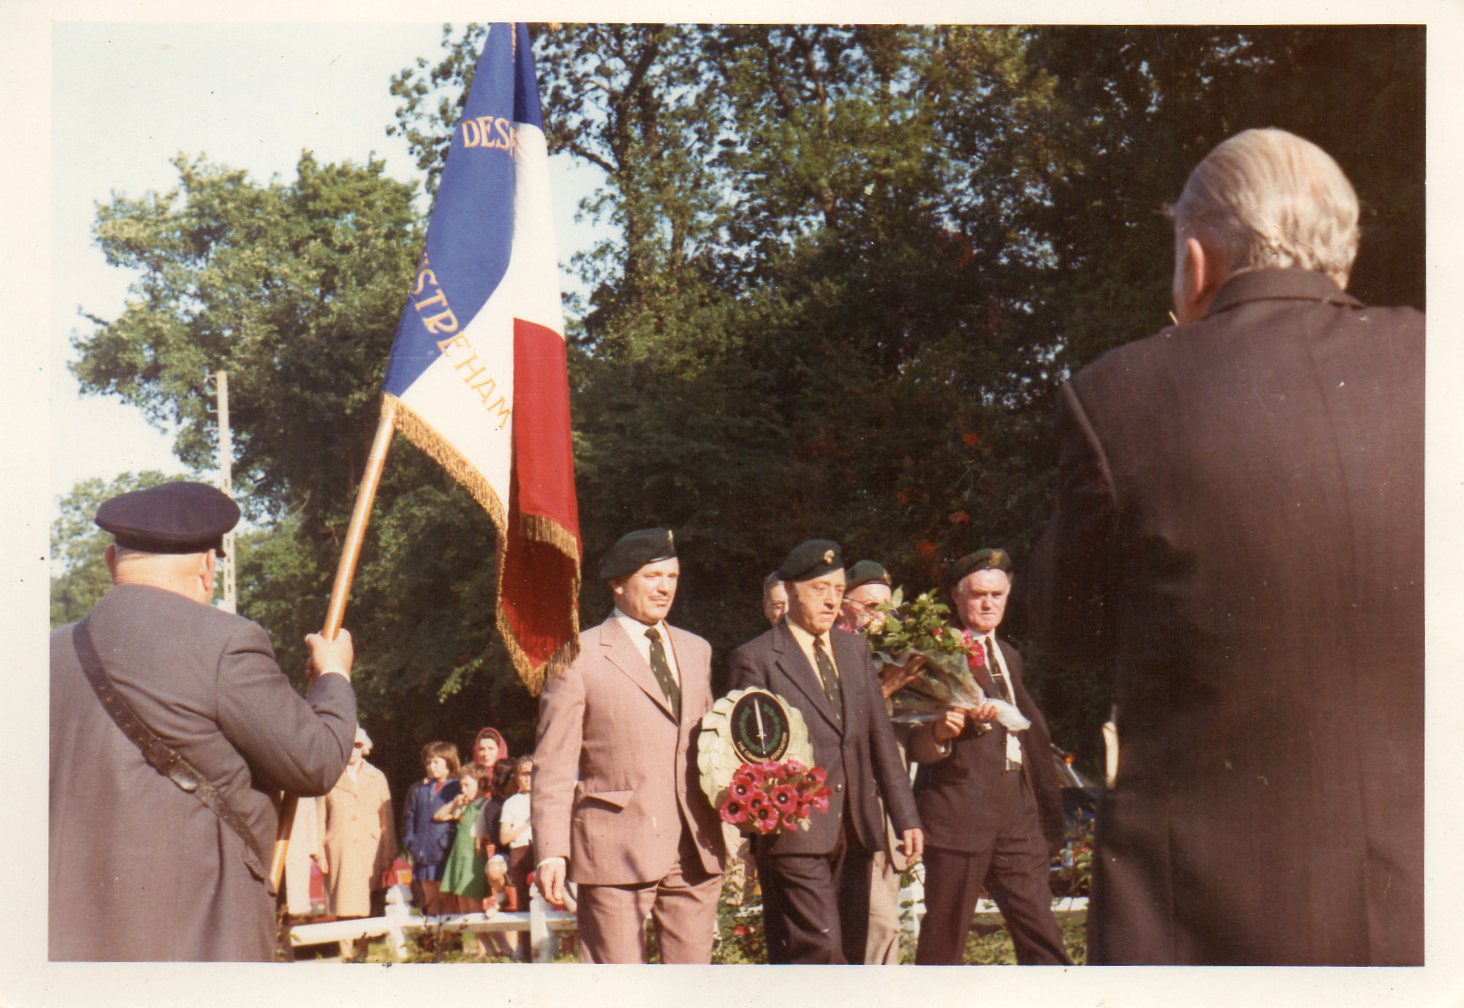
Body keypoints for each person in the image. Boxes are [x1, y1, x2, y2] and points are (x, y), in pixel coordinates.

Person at [1027, 128, 1423, 966]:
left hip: (1206, 919)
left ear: (1198, 258)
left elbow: (1066, 629)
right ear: (1341, 261)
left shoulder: (1119, 395)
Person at [48, 481, 356, 961]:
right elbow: (315, 762)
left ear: (112, 561)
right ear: (208, 566)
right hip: (196, 940)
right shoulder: (226, 643)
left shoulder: (48, 654)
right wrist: (333, 674)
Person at [532, 528, 726, 963]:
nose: (664, 588)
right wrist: (551, 852)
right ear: (617, 583)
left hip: (695, 848)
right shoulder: (576, 655)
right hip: (613, 849)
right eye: (652, 576)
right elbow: (554, 763)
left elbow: (713, 748)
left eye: (672, 576)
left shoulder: (697, 651)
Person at [728, 540, 922, 964]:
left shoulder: (854, 651)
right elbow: (748, 758)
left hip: (857, 829)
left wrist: (905, 817)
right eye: (820, 589)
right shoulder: (757, 658)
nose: (832, 598)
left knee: (851, 950)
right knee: (819, 950)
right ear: (792, 591)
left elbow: (880, 740)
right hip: (795, 833)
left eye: (838, 588)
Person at [907, 549, 1068, 965]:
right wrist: (944, 731)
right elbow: (912, 738)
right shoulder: (932, 653)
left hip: (1017, 813)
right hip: (958, 813)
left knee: (1043, 938)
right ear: (956, 598)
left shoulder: (1009, 655)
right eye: (978, 594)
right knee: (943, 948)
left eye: (997, 595)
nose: (988, 603)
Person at [837, 559, 913, 965]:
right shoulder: (832, 651)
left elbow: (914, 746)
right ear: (844, 604)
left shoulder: (902, 657)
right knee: (881, 924)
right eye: (869, 606)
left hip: (892, 816)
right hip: (851, 814)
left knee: (879, 934)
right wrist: (883, 691)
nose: (879, 618)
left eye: (887, 608)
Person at [319, 727, 396, 923]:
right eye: (348, 744)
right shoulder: (329, 776)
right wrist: (318, 852)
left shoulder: (377, 777)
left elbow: (386, 817)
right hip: (338, 846)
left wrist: (389, 851)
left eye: (357, 745)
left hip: (369, 848)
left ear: (365, 747)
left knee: (365, 901)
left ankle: (361, 951)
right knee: (341, 900)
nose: (352, 749)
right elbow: (319, 817)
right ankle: (346, 951)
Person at [400, 741, 463, 915]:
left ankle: (451, 941)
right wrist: (411, 842)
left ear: (448, 762)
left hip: (444, 854)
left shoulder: (456, 787)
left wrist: (446, 842)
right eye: (428, 762)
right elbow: (411, 817)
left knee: (447, 900)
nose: (431, 766)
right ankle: (436, 941)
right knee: (431, 901)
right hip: (423, 854)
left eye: (436, 762)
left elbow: (458, 819)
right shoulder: (421, 790)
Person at [437, 763, 491, 921]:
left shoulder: (485, 805)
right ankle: (477, 944)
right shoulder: (465, 806)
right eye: (462, 786)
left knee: (474, 910)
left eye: (467, 785)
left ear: (481, 783)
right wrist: (454, 803)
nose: (463, 790)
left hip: (474, 860)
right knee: (463, 911)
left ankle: (487, 946)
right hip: (459, 859)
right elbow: (439, 816)